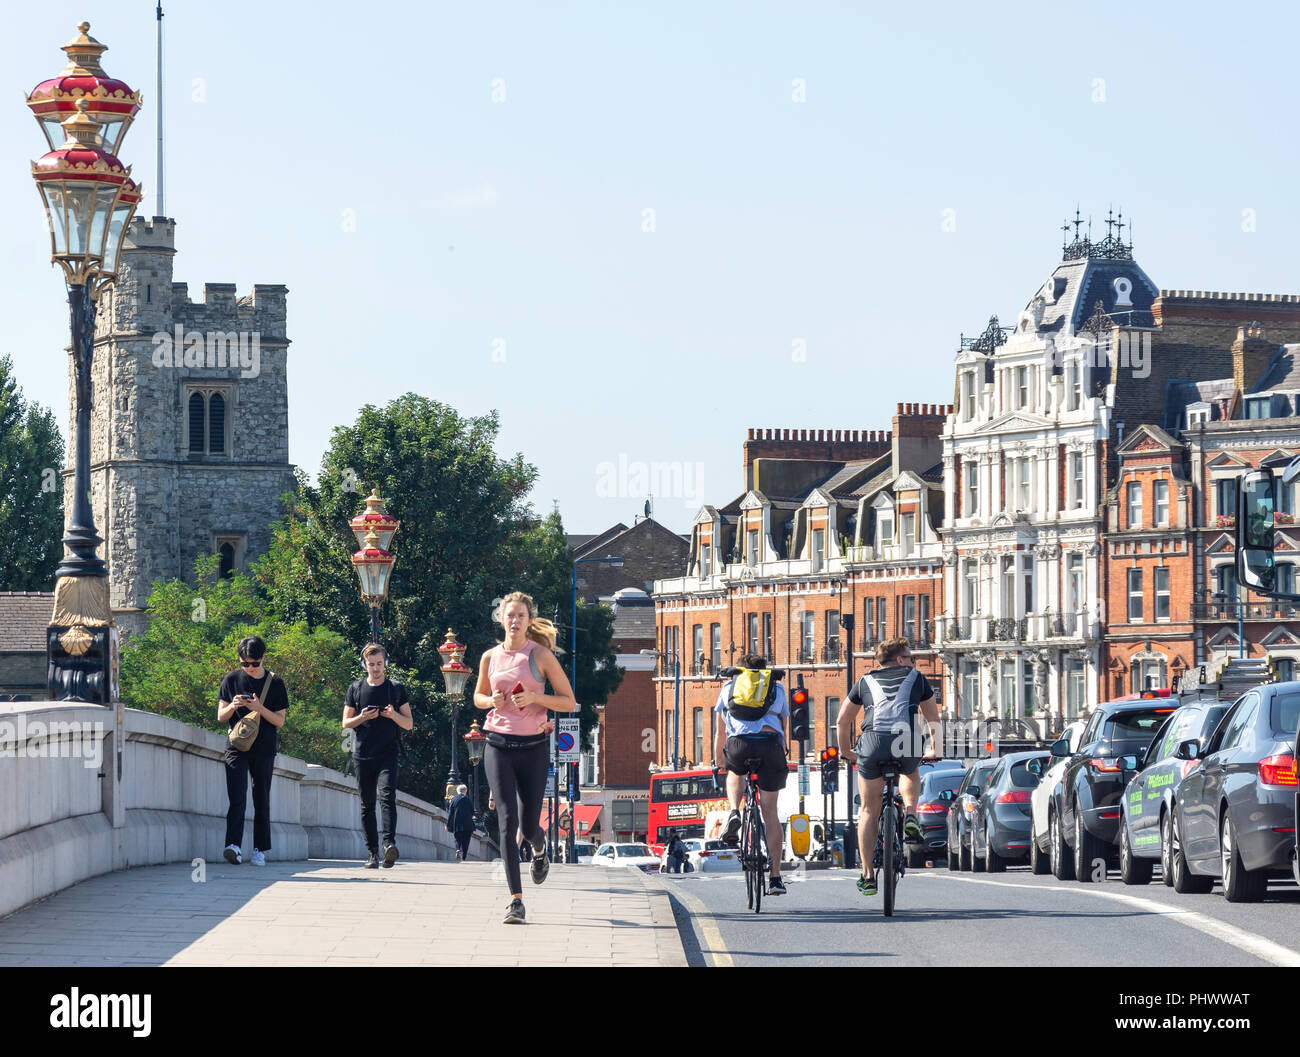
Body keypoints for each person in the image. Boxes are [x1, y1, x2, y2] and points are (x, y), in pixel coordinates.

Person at [473, 591, 577, 924]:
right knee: (506, 822)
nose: (515, 621)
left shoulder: (541, 656)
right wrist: (491, 701)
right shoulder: (490, 657)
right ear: (501, 618)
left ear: (529, 620)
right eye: (510, 615)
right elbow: (476, 696)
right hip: (498, 744)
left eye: (521, 615)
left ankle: (540, 848)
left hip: (533, 747)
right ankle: (516, 901)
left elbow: (568, 701)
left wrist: (534, 696)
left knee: (530, 824)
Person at [836, 637, 942, 897]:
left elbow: (842, 720)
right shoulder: (916, 678)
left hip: (872, 743)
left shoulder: (864, 681)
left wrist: (846, 752)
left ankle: (868, 875)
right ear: (900, 659)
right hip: (905, 740)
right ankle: (910, 814)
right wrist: (935, 750)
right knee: (910, 769)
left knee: (868, 810)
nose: (912, 661)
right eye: (909, 657)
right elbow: (933, 718)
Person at [713, 654, 790, 896]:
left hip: (739, 745)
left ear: (740, 671)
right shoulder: (776, 688)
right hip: (770, 746)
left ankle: (735, 811)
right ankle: (775, 877)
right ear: (764, 672)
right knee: (770, 813)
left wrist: (719, 761)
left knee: (735, 771)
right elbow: (784, 726)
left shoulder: (728, 687)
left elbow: (720, 731)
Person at [217, 636, 289, 866]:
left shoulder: (275, 683)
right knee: (237, 796)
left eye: (254, 664)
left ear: (263, 658)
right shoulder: (231, 679)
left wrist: (259, 707)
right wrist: (233, 705)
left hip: (264, 747)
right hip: (237, 746)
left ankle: (259, 849)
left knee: (261, 798)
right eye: (244, 663)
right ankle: (233, 846)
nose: (249, 668)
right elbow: (220, 716)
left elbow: (279, 721)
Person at [342, 643, 414, 869]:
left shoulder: (396, 689)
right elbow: (345, 723)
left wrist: (393, 715)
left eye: (379, 664)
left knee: (387, 797)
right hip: (362, 754)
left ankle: (388, 845)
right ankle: (372, 853)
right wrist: (362, 717)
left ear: (386, 663)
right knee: (366, 805)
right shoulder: (355, 688)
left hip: (388, 754)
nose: (375, 668)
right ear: (364, 665)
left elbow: (409, 724)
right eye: (371, 664)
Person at [446, 784, 475, 862]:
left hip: (457, 823)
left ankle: (458, 849)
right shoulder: (468, 800)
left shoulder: (454, 799)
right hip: (468, 824)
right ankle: (464, 857)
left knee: (457, 838)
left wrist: (448, 824)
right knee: (466, 841)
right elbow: (472, 812)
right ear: (466, 791)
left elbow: (450, 813)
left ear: (457, 791)